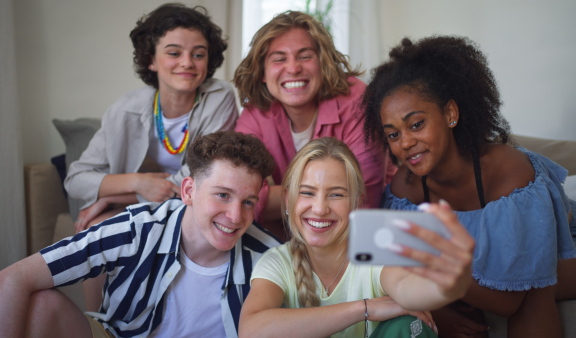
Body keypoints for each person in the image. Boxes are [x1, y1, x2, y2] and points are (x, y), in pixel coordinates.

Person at [361, 35, 576, 337]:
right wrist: (436, 309)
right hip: (471, 269)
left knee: (534, 288)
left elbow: (509, 301)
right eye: (393, 135)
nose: (406, 142)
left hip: (560, 252)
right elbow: (394, 270)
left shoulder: (508, 172)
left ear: (450, 114)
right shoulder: (404, 191)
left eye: (417, 124)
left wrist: (443, 281)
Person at [0, 131, 281, 338]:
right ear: (189, 191)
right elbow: (5, 282)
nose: (235, 216)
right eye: (223, 195)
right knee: (41, 305)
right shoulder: (138, 228)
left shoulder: (269, 256)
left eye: (248, 202)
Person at [64, 3, 238, 310]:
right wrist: (136, 183)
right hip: (144, 205)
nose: (187, 62)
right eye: (174, 52)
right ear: (151, 59)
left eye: (198, 54)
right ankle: (96, 321)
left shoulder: (219, 98)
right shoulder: (125, 108)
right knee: (95, 226)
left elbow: (201, 173)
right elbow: (76, 179)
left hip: (192, 204)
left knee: (107, 219)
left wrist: (116, 193)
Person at [238, 137, 474, 337]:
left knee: (406, 325)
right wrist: (364, 309)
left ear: (356, 202)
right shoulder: (277, 262)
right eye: (307, 193)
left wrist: (445, 284)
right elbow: (251, 330)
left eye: (336, 195)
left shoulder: (374, 249)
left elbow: (407, 288)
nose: (320, 208)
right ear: (288, 198)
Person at [233, 11, 395, 240]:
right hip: (285, 243)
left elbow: (362, 197)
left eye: (305, 56)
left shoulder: (357, 100)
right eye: (279, 59)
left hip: (364, 238)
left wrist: (274, 195)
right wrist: (331, 194)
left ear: (323, 62)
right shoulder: (257, 112)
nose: (293, 68)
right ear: (262, 72)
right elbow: (241, 196)